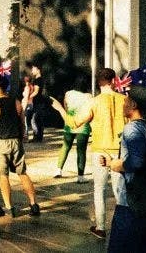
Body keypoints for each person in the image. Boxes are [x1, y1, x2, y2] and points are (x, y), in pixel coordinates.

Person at [50, 66, 124, 239]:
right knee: (120, 192)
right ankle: (123, 227)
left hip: (100, 151)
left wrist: (60, 109)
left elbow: (73, 122)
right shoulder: (124, 100)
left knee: (99, 190)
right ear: (114, 81)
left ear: (99, 83)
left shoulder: (94, 102)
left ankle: (101, 227)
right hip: (120, 151)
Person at [105, 86, 146, 253]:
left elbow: (137, 162)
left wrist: (116, 165)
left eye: (126, 100)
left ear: (134, 105)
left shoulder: (132, 128)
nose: (123, 103)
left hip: (131, 203)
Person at [0, 75, 40, 218]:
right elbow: (22, 124)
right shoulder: (17, 103)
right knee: (22, 173)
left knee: (4, 176)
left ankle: (9, 207)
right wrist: (20, 139)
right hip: (16, 141)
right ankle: (34, 204)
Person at [54, 89, 92, 183]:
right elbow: (91, 111)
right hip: (83, 125)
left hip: (70, 122)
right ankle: (80, 177)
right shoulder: (89, 96)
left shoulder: (68, 93)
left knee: (65, 146)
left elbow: (66, 107)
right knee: (81, 151)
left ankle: (58, 170)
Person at [25, 64, 47, 143]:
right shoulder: (40, 79)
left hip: (38, 103)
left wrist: (28, 97)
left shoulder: (38, 80)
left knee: (34, 120)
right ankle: (38, 137)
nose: (32, 71)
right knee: (38, 120)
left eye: (33, 69)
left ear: (38, 70)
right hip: (39, 102)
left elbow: (36, 92)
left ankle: (37, 137)